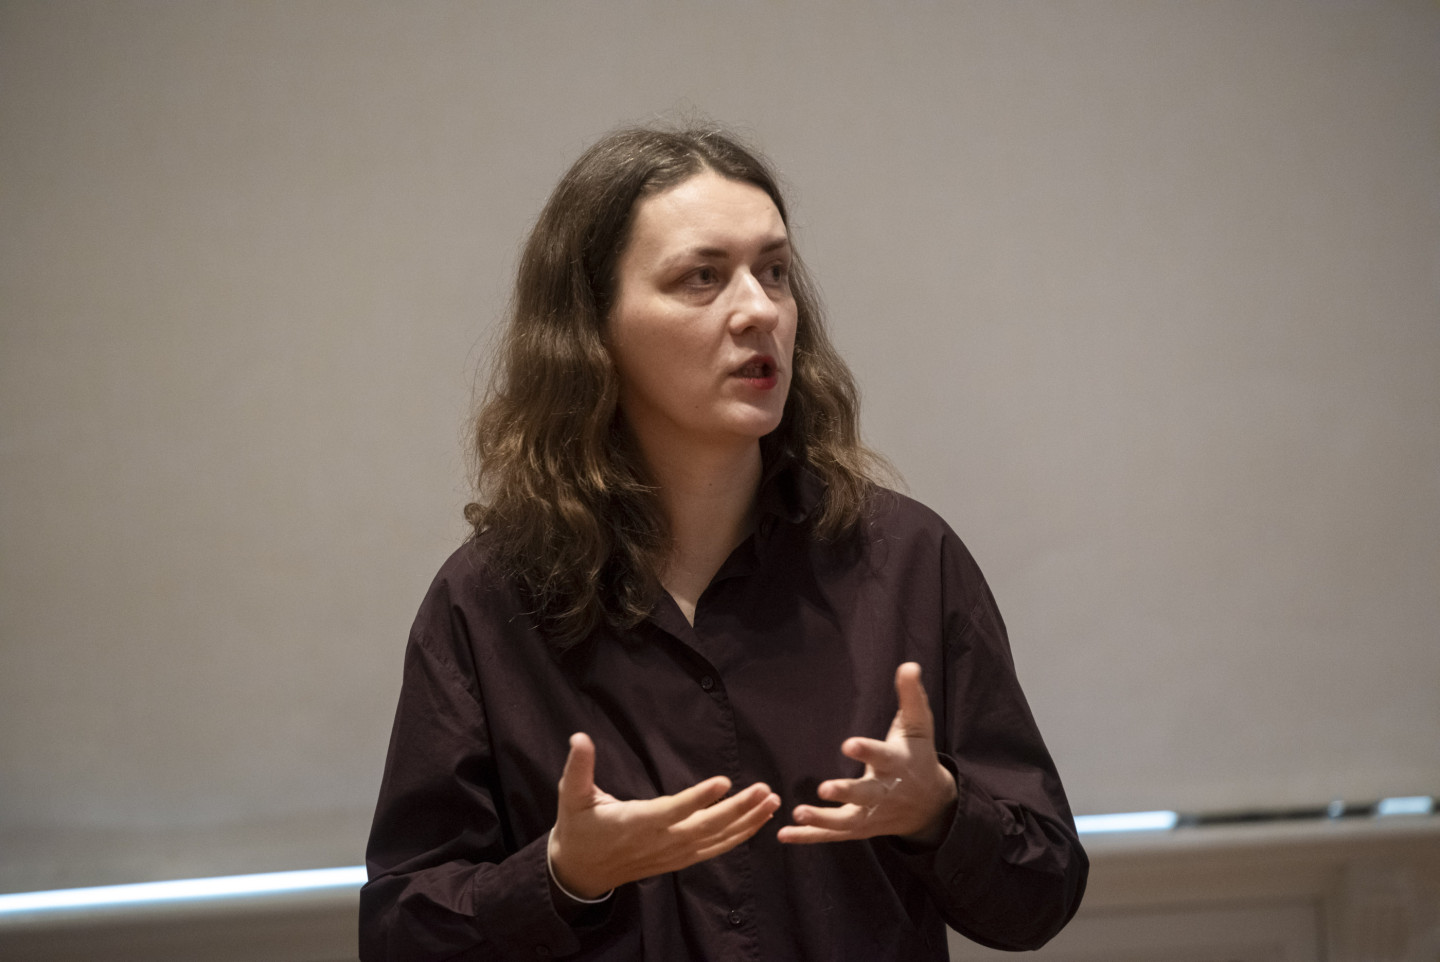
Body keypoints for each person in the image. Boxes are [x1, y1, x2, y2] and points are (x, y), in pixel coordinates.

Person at [359, 124, 1087, 961]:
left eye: (774, 272)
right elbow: (400, 934)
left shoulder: (906, 559)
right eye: (701, 278)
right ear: (594, 327)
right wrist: (562, 876)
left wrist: (940, 813)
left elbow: (1041, 895)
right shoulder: (488, 601)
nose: (759, 310)